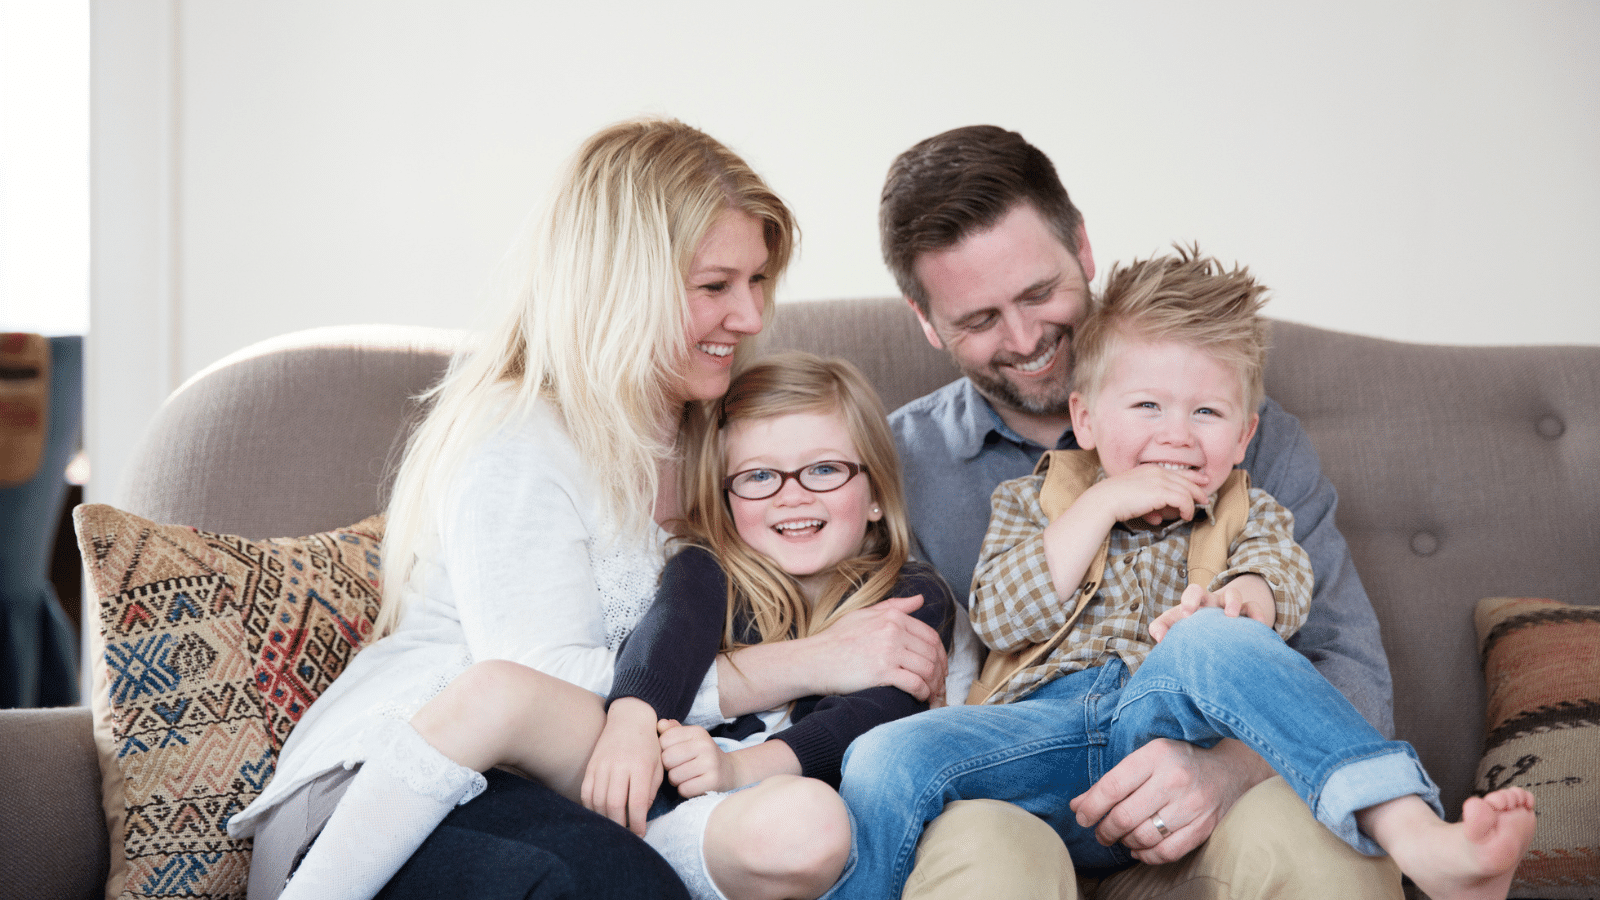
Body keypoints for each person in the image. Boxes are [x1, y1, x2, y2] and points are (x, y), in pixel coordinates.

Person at [225, 118, 947, 900]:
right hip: (412, 786)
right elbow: (533, 681)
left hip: (606, 787)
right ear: (620, 286)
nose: (749, 317)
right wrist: (811, 661)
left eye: (759, 281)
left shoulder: (728, 431)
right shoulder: (520, 434)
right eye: (715, 287)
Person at [834, 247, 1537, 900]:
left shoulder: (1250, 508)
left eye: (1206, 412)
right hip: (1038, 736)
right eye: (1146, 407)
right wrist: (1103, 502)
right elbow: (1001, 613)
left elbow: (1283, 581)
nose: (1176, 434)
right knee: (879, 758)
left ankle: (1414, 832)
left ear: (1243, 437)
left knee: (1210, 637)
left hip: (1167, 719)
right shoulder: (1031, 500)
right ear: (1085, 417)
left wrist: (1243, 601)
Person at [878, 125, 1403, 900]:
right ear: (927, 321)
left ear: (1083, 249)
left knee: (1323, 850)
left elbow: (1349, 665)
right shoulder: (899, 464)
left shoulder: (1237, 437)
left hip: (1210, 790)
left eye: (1037, 293)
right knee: (986, 856)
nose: (1026, 340)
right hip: (1019, 788)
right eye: (980, 320)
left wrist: (1226, 772)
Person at [590, 351, 955, 900]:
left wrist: (736, 770)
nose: (792, 493)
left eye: (825, 469)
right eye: (759, 475)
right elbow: (662, 645)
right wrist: (631, 720)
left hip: (826, 838)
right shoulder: (705, 570)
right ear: (727, 498)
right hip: (703, 827)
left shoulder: (910, 596)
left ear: (876, 492)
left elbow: (872, 717)